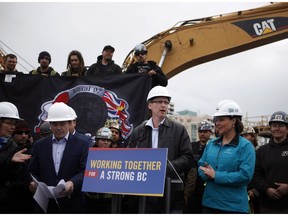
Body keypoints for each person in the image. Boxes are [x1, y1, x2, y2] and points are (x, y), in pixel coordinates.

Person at [127, 86, 193, 213]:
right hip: (144, 192)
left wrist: (163, 168)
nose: (163, 105)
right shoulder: (139, 131)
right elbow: (130, 155)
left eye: (166, 102)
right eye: (159, 102)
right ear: (150, 105)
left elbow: (187, 157)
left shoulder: (179, 129)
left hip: (170, 190)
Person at [28, 102, 90, 213]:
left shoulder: (83, 144)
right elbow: (32, 171)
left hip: (72, 204)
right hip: (45, 205)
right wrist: (32, 182)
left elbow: (86, 170)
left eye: (62, 124)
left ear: (70, 123)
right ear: (50, 124)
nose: (58, 128)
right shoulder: (39, 145)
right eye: (55, 124)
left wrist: (72, 183)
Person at [198, 99, 256, 213]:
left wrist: (216, 175)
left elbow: (245, 175)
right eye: (216, 120)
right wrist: (206, 174)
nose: (217, 123)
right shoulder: (211, 144)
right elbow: (200, 165)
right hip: (209, 204)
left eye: (221, 119)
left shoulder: (245, 146)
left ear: (234, 120)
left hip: (234, 208)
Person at [252, 111, 288, 213]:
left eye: (281, 126)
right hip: (267, 205)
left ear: (287, 129)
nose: (277, 128)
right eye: (274, 125)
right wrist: (266, 189)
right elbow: (256, 174)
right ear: (270, 128)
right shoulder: (262, 151)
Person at [0, 102, 31, 213]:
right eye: (9, 123)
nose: (13, 127)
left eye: (14, 123)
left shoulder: (12, 145)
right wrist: (8, 162)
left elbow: (11, 177)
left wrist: (12, 164)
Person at [184, 120, 213, 213]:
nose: (202, 134)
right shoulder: (192, 146)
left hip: (207, 185)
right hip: (192, 186)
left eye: (205, 132)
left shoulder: (214, 147)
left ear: (210, 132)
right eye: (200, 132)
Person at [85, 127, 113, 213]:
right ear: (97, 141)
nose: (106, 142)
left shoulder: (115, 156)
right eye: (103, 139)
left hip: (108, 199)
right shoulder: (88, 154)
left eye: (108, 140)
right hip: (90, 198)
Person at [241, 125, 260, 213]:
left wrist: (254, 189)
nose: (244, 137)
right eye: (242, 135)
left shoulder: (259, 152)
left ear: (253, 137)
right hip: (244, 188)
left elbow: (259, 172)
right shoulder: (239, 152)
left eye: (247, 135)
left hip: (257, 190)